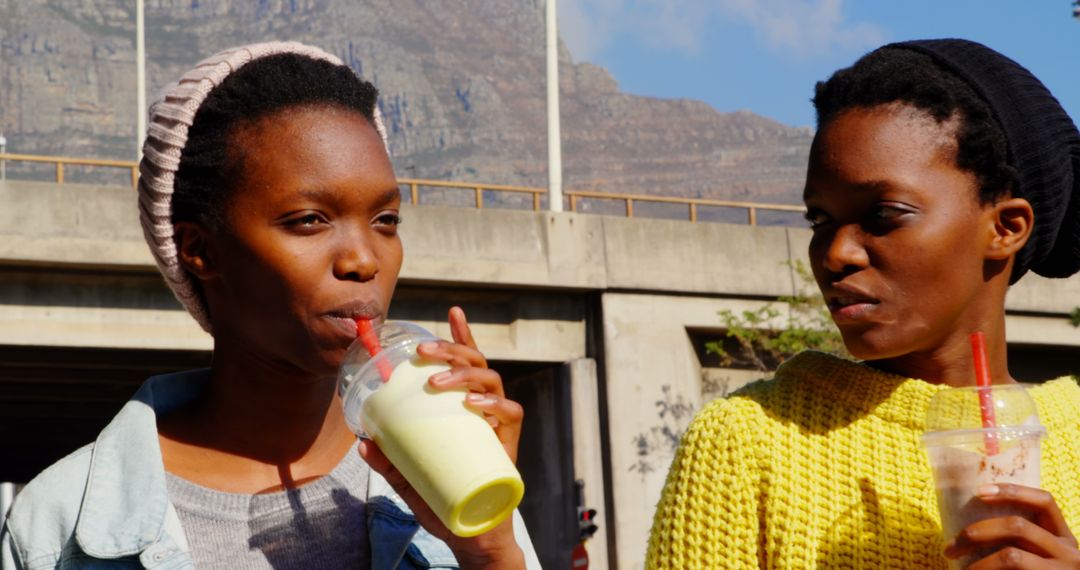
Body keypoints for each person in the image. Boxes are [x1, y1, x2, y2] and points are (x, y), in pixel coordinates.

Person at [1, 42, 539, 570]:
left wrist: (488, 552)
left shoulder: (448, 477)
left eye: (386, 221)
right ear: (200, 250)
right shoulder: (58, 526)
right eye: (309, 219)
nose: (363, 259)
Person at [646, 39, 1080, 569]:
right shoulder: (747, 443)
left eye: (884, 213)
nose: (836, 253)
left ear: (1005, 228)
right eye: (820, 220)